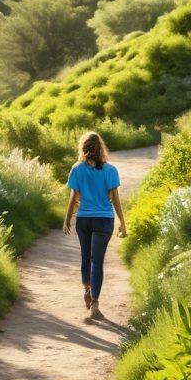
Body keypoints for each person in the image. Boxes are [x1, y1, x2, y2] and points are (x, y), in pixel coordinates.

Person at [63, 131, 127, 322]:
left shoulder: (77, 169)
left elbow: (74, 197)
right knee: (96, 261)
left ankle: (87, 289)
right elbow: (115, 198)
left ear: (83, 148)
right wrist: (122, 222)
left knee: (86, 257)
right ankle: (95, 303)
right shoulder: (110, 170)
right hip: (104, 220)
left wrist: (67, 219)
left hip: (84, 220)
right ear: (101, 148)